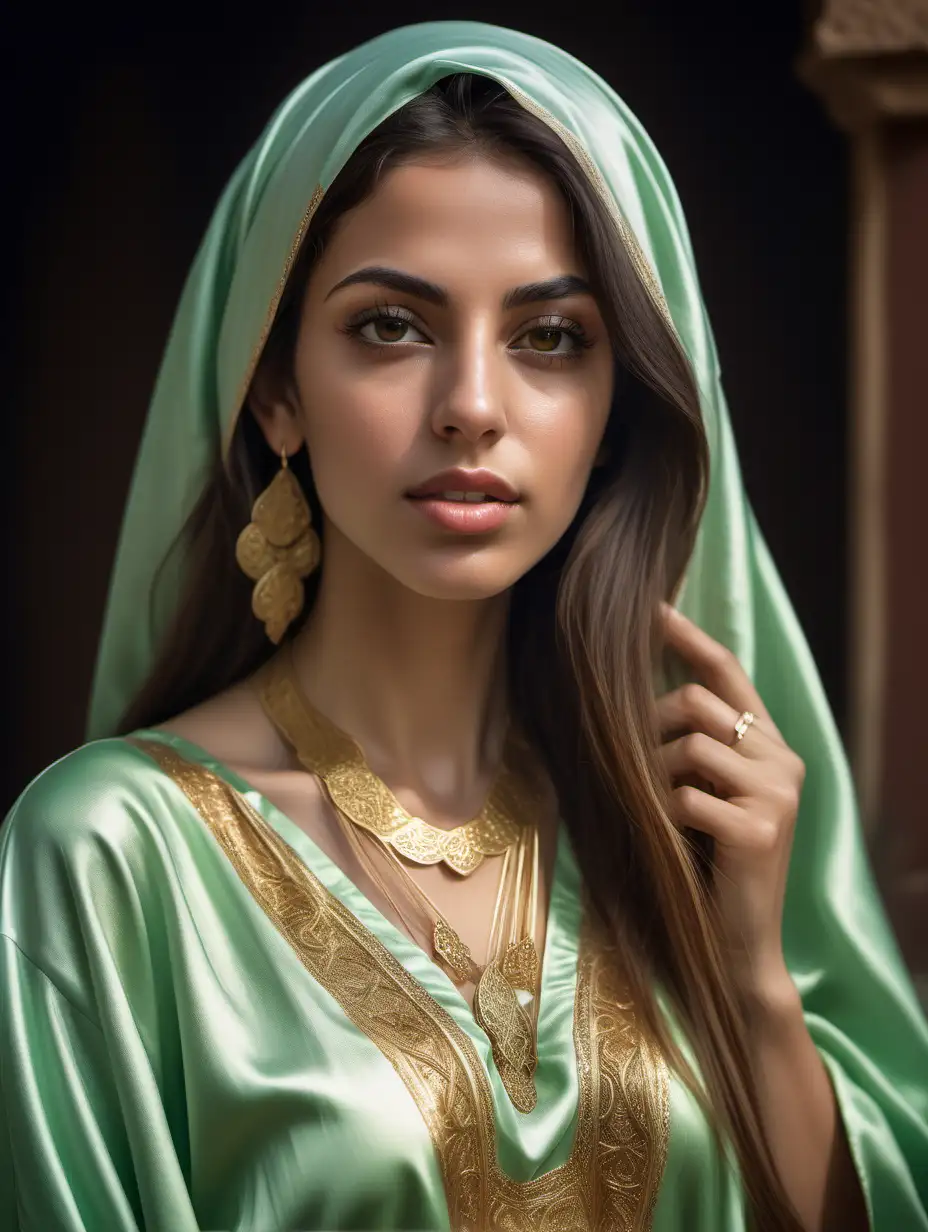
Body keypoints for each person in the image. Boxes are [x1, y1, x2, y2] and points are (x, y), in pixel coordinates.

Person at [1, 21, 925, 1232]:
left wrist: (752, 970)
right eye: (392, 324)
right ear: (273, 386)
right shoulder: (106, 855)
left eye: (549, 337)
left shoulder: (674, 828)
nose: (473, 408)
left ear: (613, 407)